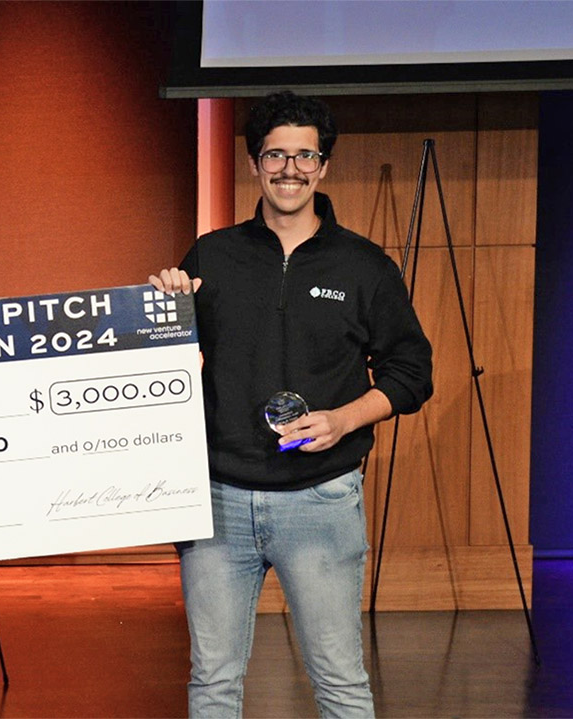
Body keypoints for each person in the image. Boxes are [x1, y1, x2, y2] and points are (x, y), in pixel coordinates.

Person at [150, 91, 433, 717]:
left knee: (340, 683)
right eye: (276, 154)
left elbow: (412, 372)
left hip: (322, 498)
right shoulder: (212, 254)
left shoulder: (364, 266)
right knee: (212, 684)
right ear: (255, 163)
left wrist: (344, 419)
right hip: (218, 502)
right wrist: (164, 305)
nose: (290, 169)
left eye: (305, 156)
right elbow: (158, 363)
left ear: (323, 166)